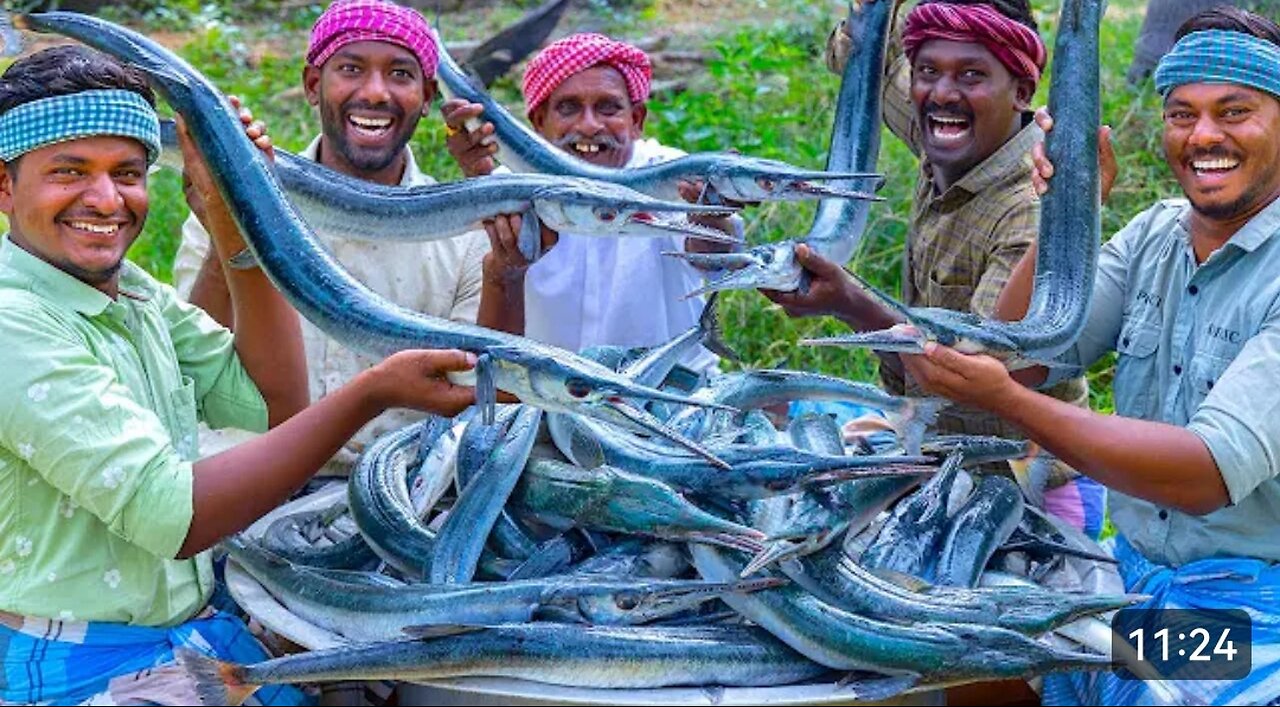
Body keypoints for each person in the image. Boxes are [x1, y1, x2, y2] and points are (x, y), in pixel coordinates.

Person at [0, 45, 474, 705]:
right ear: (4, 185)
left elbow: (272, 402)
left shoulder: (130, 294)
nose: (106, 198)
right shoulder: (12, 322)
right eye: (69, 171)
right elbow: (176, 515)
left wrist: (233, 217)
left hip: (176, 637)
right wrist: (372, 392)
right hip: (72, 662)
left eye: (129, 172)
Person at [901, 7, 1280, 703]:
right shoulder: (1153, 236)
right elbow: (1022, 354)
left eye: (1235, 112)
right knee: (972, 655)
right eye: (1182, 114)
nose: (1203, 137)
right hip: (1127, 576)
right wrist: (1066, 210)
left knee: (1154, 688)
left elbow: (1204, 471)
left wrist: (1007, 401)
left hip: (1247, 607)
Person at [771, 0, 1108, 537]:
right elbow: (868, 58)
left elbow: (965, 371)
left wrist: (847, 301)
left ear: (1021, 92)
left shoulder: (1031, 205)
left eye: (972, 74)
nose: (943, 92)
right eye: (928, 72)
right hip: (939, 469)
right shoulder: (956, 131)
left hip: (1031, 497)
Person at [172, 0, 494, 471]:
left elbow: (470, 396)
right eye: (350, 68)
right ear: (311, 85)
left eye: (401, 74)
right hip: (248, 486)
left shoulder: (462, 231)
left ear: (427, 98)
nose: (376, 93)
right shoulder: (229, 197)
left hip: (400, 489)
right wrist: (230, 229)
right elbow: (188, 370)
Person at [441, 32, 739, 372]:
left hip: (667, 400)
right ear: (539, 123)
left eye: (608, 108)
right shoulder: (511, 189)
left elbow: (712, 254)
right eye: (568, 108)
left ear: (636, 120)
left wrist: (712, 217)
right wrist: (478, 179)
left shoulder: (669, 175)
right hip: (550, 400)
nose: (589, 126)